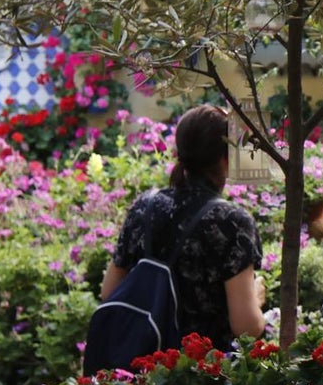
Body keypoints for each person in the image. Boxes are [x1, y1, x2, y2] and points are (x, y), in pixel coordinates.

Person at [100, 105, 266, 351]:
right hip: (202, 376)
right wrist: (256, 296)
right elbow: (246, 328)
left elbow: (109, 293)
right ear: (227, 158)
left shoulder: (146, 206)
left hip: (144, 368)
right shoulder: (232, 221)